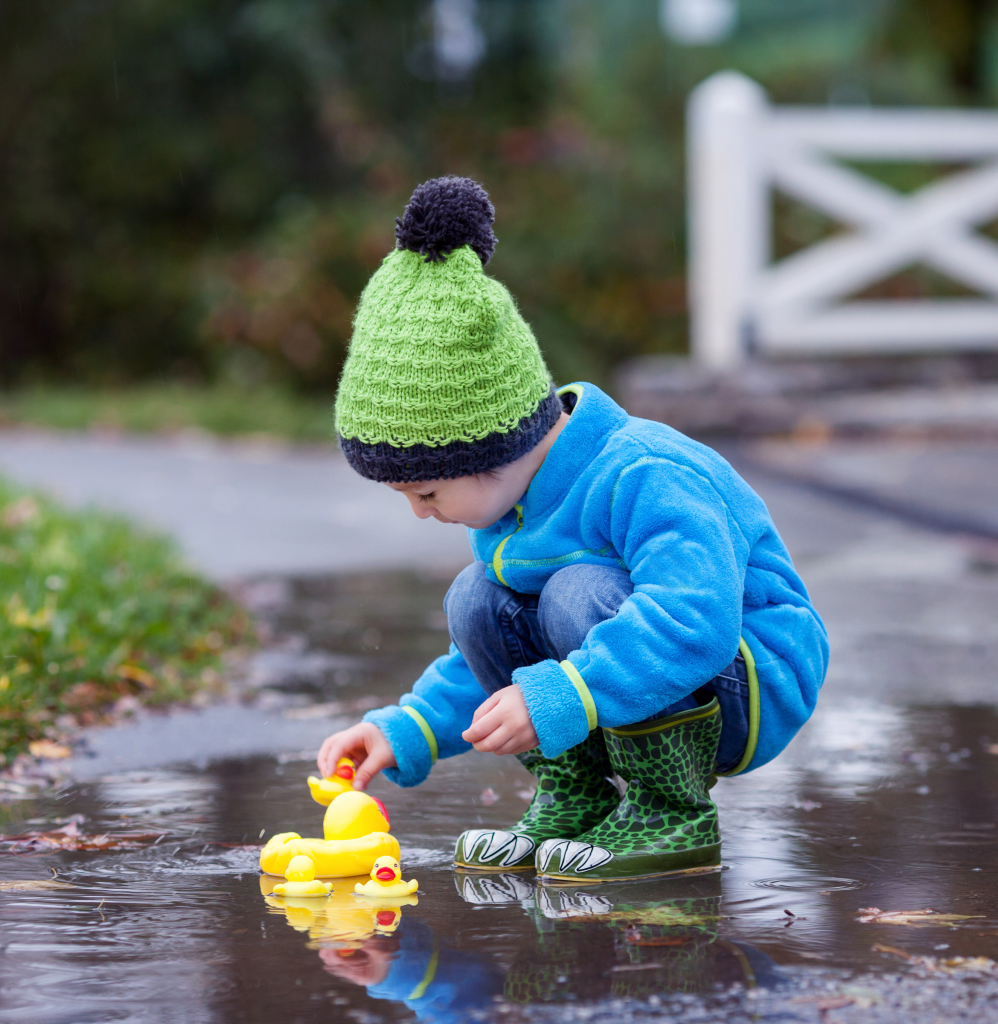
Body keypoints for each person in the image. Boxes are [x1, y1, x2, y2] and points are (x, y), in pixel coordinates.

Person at [318, 176, 829, 882]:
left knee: (574, 593)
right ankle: (579, 796)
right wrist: (404, 730)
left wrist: (564, 694)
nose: (418, 512)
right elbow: (490, 663)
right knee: (480, 599)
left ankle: (671, 808)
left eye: (426, 491)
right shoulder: (512, 505)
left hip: (748, 675)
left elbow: (697, 615)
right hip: (635, 671)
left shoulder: (642, 473)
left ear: (489, 449)